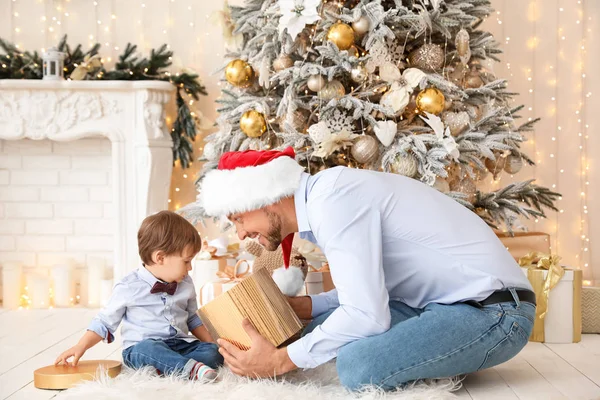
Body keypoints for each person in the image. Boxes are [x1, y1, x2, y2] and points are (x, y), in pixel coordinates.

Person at [198, 147, 536, 391]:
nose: (241, 234)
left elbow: (367, 314)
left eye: (239, 219)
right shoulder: (327, 198)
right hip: (436, 304)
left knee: (356, 365)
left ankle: (450, 350)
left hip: (495, 312)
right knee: (314, 332)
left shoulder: (333, 200)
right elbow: (363, 292)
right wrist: (306, 307)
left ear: (265, 197)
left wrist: (280, 361)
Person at [55, 211, 223, 382]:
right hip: (141, 348)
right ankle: (187, 368)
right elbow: (104, 322)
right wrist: (80, 346)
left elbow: (193, 319)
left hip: (179, 345)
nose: (190, 269)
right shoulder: (128, 287)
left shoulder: (186, 284)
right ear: (160, 258)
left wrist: (215, 346)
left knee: (212, 353)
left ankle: (170, 367)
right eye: (186, 261)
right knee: (148, 349)